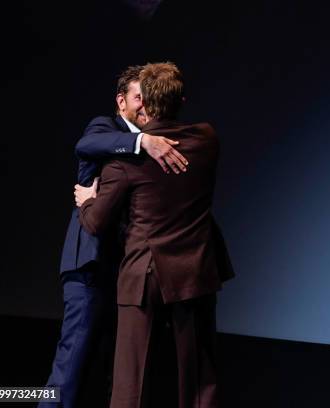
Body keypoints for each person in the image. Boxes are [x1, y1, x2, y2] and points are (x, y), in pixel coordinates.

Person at [75, 62, 233, 408]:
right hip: (194, 272)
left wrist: (87, 201)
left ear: (142, 103)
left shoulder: (125, 162)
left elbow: (97, 222)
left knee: (131, 382)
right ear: (182, 100)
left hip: (144, 275)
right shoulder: (207, 139)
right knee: (199, 383)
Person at [40, 65, 188, 408]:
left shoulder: (160, 142)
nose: (146, 105)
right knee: (73, 359)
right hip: (89, 264)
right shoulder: (107, 128)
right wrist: (141, 140)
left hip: (126, 270)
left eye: (150, 98)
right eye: (139, 98)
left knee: (114, 368)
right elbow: (87, 144)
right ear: (121, 102)